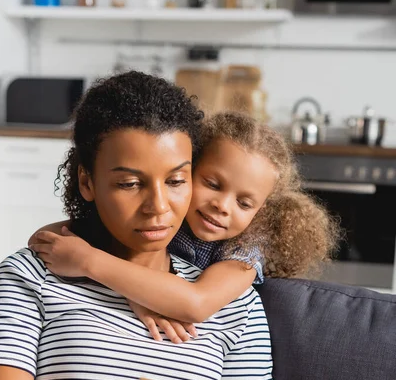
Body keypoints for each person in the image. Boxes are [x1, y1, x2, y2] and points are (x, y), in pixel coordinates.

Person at [0, 71, 368, 380]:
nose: (158, 207)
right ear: (86, 179)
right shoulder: (33, 276)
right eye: (129, 183)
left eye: (176, 180)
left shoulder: (229, 302)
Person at [29, 111, 338, 344]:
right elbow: (46, 239)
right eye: (213, 184)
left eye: (244, 203)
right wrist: (135, 293)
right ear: (186, 172)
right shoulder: (165, 217)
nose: (223, 205)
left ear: (260, 211)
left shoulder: (243, 253)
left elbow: (196, 303)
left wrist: (90, 262)